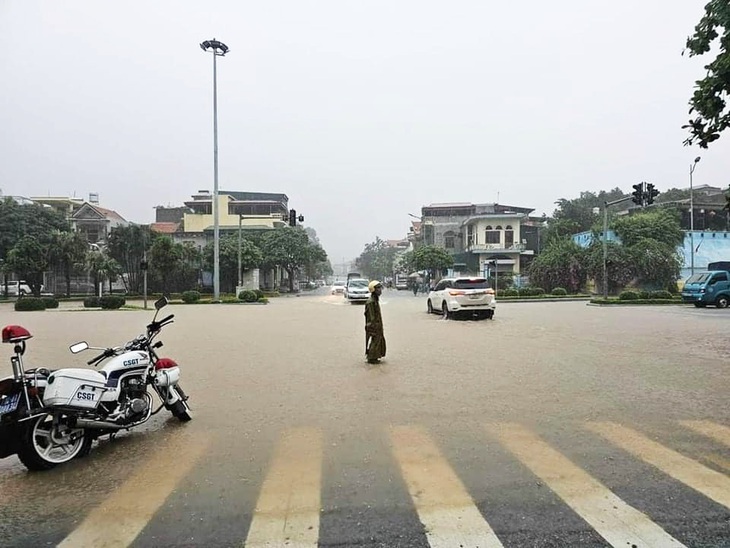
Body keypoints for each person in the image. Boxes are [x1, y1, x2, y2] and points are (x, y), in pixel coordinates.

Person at [364, 280, 386, 364]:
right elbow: (371, 316)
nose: (380, 290)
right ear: (373, 290)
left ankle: (375, 357)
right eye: (378, 288)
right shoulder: (371, 302)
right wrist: (373, 326)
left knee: (378, 341)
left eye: (380, 288)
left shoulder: (375, 300)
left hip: (377, 325)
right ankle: (371, 358)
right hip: (373, 326)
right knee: (375, 341)